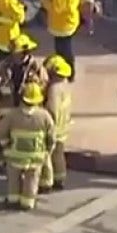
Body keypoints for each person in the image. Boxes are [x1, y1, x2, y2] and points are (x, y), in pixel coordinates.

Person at [0, 34, 47, 175]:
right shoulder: (5, 64)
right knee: (1, 136)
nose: (13, 56)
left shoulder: (36, 67)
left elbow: (44, 83)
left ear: (24, 53)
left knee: (22, 137)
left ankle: (20, 167)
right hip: (6, 108)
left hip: (25, 107)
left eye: (16, 53)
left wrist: (35, 86)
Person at [0, 82, 56, 211]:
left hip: (15, 155)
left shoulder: (12, 115)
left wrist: (5, 146)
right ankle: (28, 202)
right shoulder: (44, 116)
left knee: (14, 179)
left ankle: (13, 200)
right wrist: (48, 150)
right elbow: (51, 136)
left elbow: (1, 130)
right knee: (32, 179)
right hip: (35, 157)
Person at [36, 0, 94, 80]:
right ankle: (68, 71)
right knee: (65, 48)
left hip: (62, 24)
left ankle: (68, 73)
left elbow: (56, 8)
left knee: (63, 50)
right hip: (72, 18)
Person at [38, 55, 73, 193]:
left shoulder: (54, 89)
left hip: (54, 127)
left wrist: (46, 124)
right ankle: (60, 178)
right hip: (64, 125)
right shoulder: (66, 86)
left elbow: (51, 108)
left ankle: (46, 182)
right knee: (59, 154)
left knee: (47, 155)